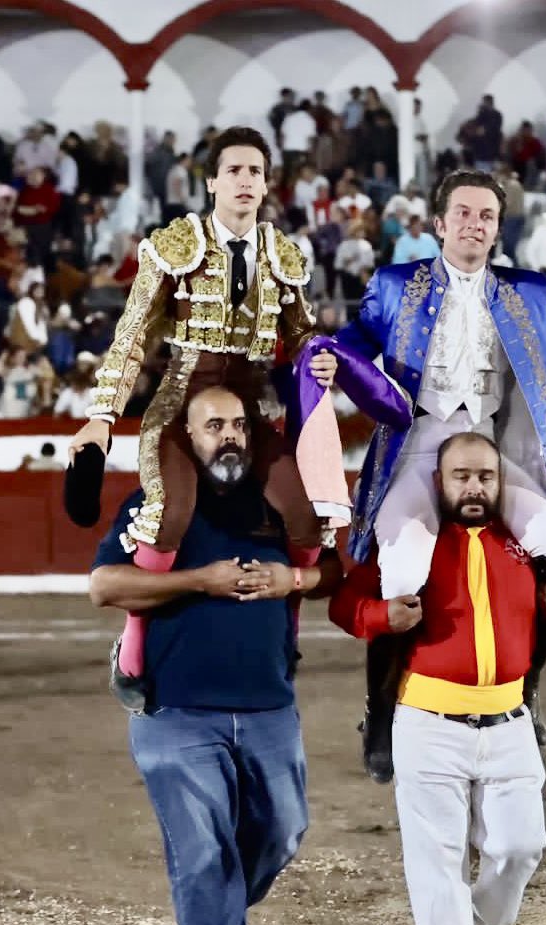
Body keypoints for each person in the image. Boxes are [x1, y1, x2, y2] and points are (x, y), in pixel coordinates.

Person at [333, 168, 546, 768]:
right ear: (440, 224)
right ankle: (382, 712)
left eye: (486, 216)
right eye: (463, 213)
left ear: (498, 229)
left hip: (492, 450)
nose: (474, 224)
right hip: (418, 444)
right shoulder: (393, 285)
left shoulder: (529, 292)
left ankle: (527, 691)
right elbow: (348, 348)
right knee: (400, 573)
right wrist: (320, 363)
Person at [66, 126, 348, 694]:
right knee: (169, 512)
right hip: (179, 403)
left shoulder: (285, 257)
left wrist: (324, 365)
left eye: (256, 173)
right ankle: (133, 653)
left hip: (254, 409)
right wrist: (103, 415)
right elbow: (133, 335)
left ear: (267, 185)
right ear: (213, 181)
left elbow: (306, 342)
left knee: (304, 516)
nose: (245, 181)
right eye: (235, 171)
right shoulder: (174, 245)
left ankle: (287, 640)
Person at [90, 385, 341, 925]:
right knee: (203, 854)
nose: (229, 436)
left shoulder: (278, 505)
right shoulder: (155, 505)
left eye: (238, 425)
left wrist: (292, 581)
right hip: (176, 715)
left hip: (269, 710)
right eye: (213, 426)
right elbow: (104, 586)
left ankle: (214, 901)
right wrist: (200, 581)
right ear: (189, 437)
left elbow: (332, 572)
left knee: (282, 836)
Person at [329, 431, 546, 925]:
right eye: (462, 476)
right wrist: (383, 614)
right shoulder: (411, 543)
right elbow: (346, 604)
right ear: (439, 482)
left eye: (485, 477)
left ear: (500, 483)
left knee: (521, 848)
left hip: (509, 723)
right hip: (427, 723)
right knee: (436, 862)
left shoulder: (524, 543)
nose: (474, 487)